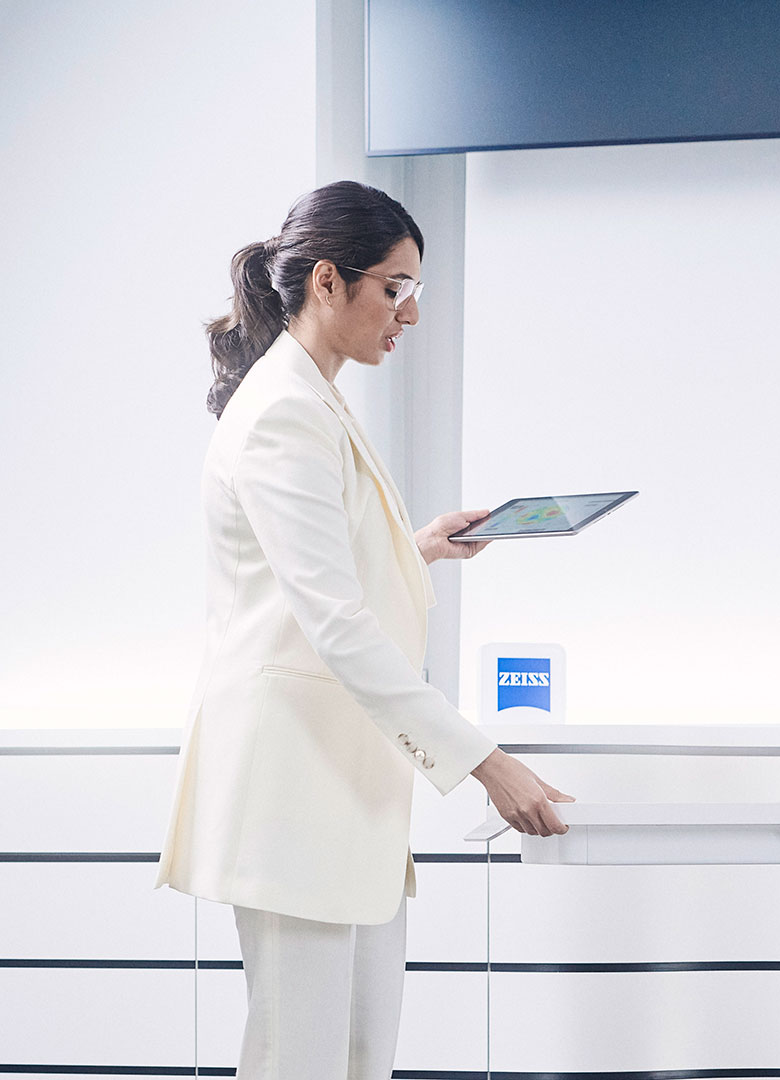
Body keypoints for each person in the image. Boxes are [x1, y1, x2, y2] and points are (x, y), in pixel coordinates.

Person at [156, 181, 572, 1080]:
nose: (409, 313)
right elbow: (334, 623)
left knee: (355, 1060)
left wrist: (416, 549)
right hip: (293, 790)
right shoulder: (282, 412)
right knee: (298, 1061)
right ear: (327, 282)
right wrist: (484, 762)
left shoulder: (317, 398)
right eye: (395, 288)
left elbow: (312, 581)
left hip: (342, 794)